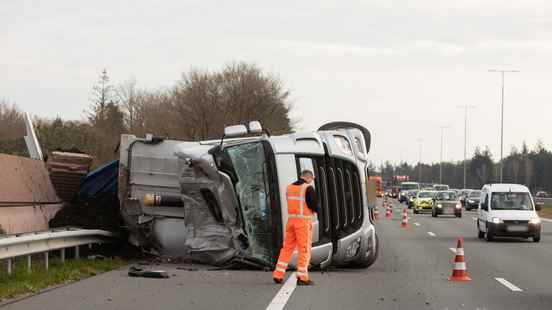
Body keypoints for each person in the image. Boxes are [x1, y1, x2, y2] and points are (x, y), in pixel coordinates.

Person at [272, 170, 318, 286]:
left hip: (291, 221)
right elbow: (313, 205)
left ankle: (278, 274)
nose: (311, 182)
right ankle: (302, 277)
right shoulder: (308, 188)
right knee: (304, 249)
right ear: (309, 178)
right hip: (303, 222)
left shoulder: (289, 188)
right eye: (311, 180)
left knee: (287, 248)